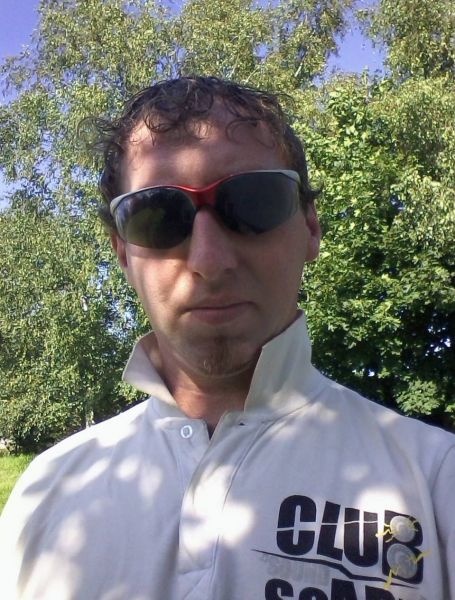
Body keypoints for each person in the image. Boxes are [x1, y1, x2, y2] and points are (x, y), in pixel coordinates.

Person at [0, 76, 454, 600]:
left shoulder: (436, 482)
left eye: (253, 201)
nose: (209, 261)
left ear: (311, 227)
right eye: (157, 217)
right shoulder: (45, 492)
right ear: (122, 252)